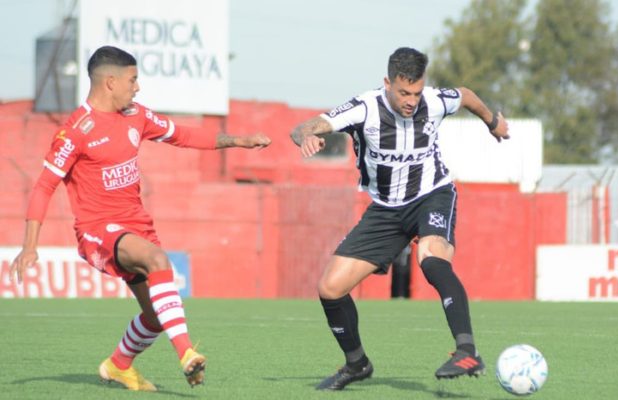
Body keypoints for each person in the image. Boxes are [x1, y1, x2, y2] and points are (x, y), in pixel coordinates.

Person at [9, 46, 271, 391]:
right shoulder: (75, 130)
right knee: (157, 260)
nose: (137, 87)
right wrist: (30, 247)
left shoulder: (136, 114)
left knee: (156, 315)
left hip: (137, 225)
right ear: (110, 82)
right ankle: (187, 353)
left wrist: (240, 140)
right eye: (133, 79)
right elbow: (44, 186)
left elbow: (185, 135)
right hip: (98, 231)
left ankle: (118, 365)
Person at [290, 47, 509, 391]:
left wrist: (493, 122)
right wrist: (306, 136)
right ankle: (357, 364)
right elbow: (306, 126)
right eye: (404, 92)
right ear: (387, 83)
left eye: (417, 93)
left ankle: (467, 351)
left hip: (431, 194)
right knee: (330, 289)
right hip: (385, 211)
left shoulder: (434, 102)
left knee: (431, 259)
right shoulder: (364, 107)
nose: (411, 101)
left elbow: (466, 96)